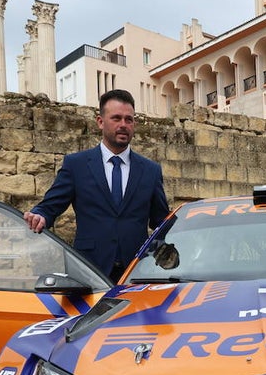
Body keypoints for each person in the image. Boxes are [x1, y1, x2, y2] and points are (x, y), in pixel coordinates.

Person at [24, 88, 169, 283]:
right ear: (100, 122)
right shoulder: (76, 165)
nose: (123, 125)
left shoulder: (151, 170)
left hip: (136, 273)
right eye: (116, 118)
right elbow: (50, 206)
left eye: (129, 119)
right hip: (89, 272)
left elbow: (161, 222)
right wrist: (39, 216)